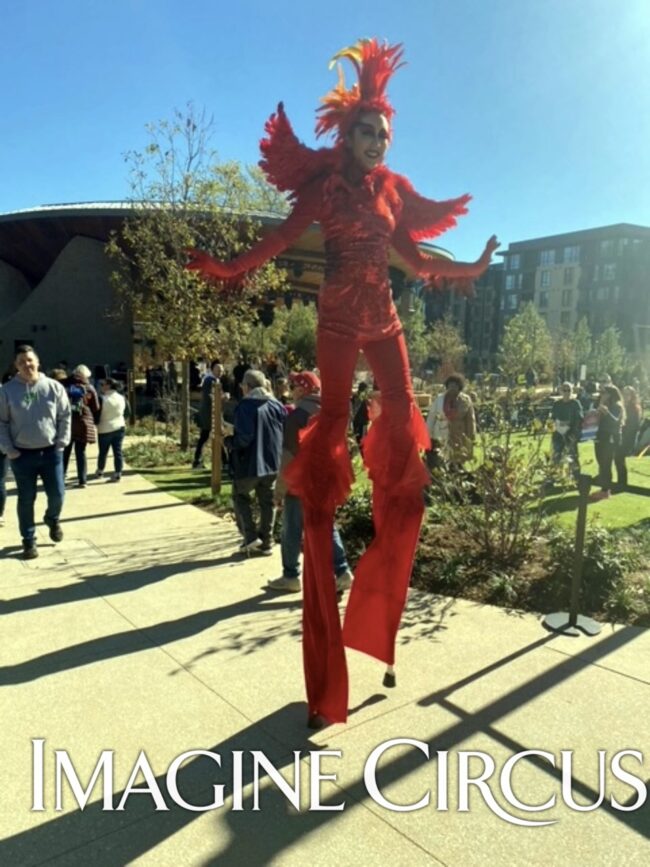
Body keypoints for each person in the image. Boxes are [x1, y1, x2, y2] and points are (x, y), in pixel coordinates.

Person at [187, 38, 498, 726]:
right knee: (328, 437)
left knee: (403, 447)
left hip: (384, 325)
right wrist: (228, 268)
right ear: (348, 133)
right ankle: (322, 584)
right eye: (368, 131)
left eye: (385, 134)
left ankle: (384, 575)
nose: (378, 142)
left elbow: (417, 266)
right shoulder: (327, 188)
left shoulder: (391, 192)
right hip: (335, 323)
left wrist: (473, 268)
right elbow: (277, 240)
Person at [268, 370, 353, 593]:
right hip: (325, 481)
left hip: (299, 483)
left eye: (293, 387)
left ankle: (290, 576)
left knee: (291, 529)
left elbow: (288, 455)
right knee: (325, 524)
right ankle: (342, 570)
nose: (290, 392)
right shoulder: (329, 413)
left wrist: (279, 489)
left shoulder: (296, 417)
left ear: (301, 389)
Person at [0, 345, 71, 558]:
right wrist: (9, 449)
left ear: (37, 362)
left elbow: (64, 415)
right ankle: (29, 540)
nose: (26, 365)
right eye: (21, 362)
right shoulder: (7, 391)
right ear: (16, 366)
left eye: (29, 360)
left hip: (51, 453)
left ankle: (52, 518)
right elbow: (1, 423)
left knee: (58, 494)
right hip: (22, 455)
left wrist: (61, 442)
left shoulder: (53, 387)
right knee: (25, 499)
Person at [228, 369, 286, 554]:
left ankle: (251, 536)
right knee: (267, 502)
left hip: (250, 462)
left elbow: (244, 438)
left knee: (240, 496)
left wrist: (229, 441)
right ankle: (267, 541)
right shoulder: (277, 405)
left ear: (247, 386)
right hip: (273, 463)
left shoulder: (246, 406)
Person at [426, 374, 476, 469]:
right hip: (441, 434)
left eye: (455, 386)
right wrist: (428, 434)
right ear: (447, 386)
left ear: (459, 387)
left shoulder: (466, 400)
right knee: (441, 460)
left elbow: (470, 420)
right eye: (450, 385)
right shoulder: (439, 399)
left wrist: (471, 436)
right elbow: (431, 416)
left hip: (458, 435)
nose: (452, 388)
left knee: (457, 461)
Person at [62, 365, 100, 488]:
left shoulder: (65, 386)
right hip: (84, 422)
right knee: (81, 452)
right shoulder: (89, 388)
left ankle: (61, 477)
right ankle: (82, 480)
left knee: (65, 452)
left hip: (68, 422)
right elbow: (96, 407)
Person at [591, 385, 624, 501]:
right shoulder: (600, 404)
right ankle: (603, 488)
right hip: (600, 436)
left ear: (610, 394)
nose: (601, 394)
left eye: (604, 392)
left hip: (610, 437)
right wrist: (601, 403)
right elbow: (594, 417)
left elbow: (615, 421)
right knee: (601, 461)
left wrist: (606, 411)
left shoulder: (617, 406)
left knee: (606, 463)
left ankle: (606, 491)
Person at [192, 361, 223, 469]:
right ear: (213, 370)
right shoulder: (211, 381)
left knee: (208, 437)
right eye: (218, 370)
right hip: (210, 414)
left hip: (210, 413)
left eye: (221, 370)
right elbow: (211, 397)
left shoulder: (212, 380)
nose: (220, 372)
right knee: (213, 436)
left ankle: (198, 460)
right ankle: (224, 461)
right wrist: (223, 397)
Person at [95, 378, 128, 482]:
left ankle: (100, 470)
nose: (101, 386)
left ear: (108, 386)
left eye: (103, 384)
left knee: (103, 452)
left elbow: (97, 414)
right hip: (119, 426)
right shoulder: (122, 397)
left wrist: (96, 422)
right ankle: (118, 472)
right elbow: (128, 411)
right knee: (117, 451)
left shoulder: (102, 399)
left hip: (105, 427)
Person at [550, 382, 583, 480]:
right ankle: (555, 476)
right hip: (558, 434)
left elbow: (579, 419)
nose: (567, 392)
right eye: (564, 390)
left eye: (569, 390)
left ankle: (575, 476)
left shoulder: (575, 403)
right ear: (560, 391)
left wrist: (573, 430)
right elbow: (553, 418)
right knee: (556, 456)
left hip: (571, 434)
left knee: (572, 456)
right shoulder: (557, 404)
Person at [614, 385, 642, 489]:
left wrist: (624, 437)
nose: (625, 396)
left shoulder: (634, 408)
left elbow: (633, 426)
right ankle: (621, 482)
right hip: (620, 436)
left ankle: (622, 483)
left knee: (619, 458)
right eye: (624, 393)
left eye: (627, 394)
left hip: (627, 438)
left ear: (632, 396)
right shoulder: (621, 406)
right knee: (618, 459)